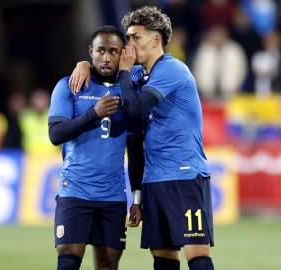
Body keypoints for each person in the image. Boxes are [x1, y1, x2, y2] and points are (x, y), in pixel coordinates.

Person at [70, 6, 214, 270]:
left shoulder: (173, 70)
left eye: (136, 37)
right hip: (154, 179)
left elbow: (136, 107)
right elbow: (107, 70)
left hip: (183, 175)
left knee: (198, 257)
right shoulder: (138, 74)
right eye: (128, 37)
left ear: (156, 40)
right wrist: (84, 65)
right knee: (163, 258)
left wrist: (124, 72)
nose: (128, 45)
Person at [48, 25, 144, 270]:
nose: (106, 57)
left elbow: (135, 149)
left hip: (112, 196)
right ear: (91, 51)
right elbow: (56, 134)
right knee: (68, 262)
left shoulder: (132, 88)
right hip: (75, 190)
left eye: (114, 51)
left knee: (107, 265)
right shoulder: (70, 85)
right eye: (100, 50)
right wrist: (94, 113)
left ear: (123, 54)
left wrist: (137, 198)